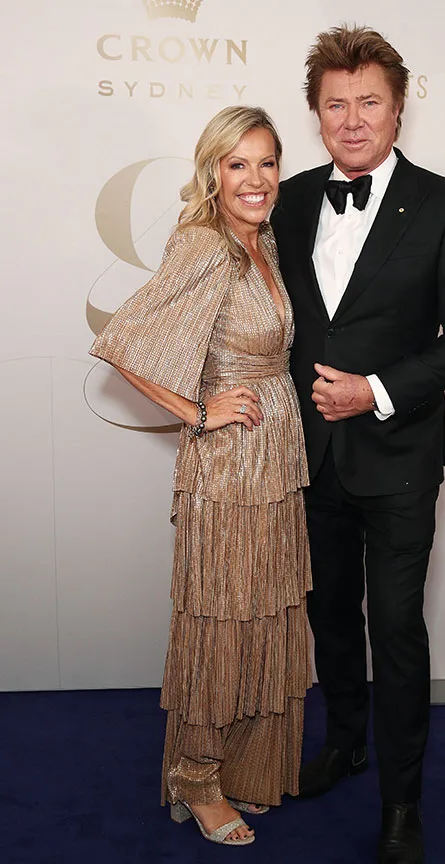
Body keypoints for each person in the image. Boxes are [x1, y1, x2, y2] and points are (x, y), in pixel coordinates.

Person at [271, 25, 445, 864]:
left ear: (398, 109)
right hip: (307, 456)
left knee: (396, 627)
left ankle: (402, 800)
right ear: (316, 115)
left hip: (396, 455)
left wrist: (376, 390)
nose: (353, 120)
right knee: (329, 616)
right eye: (336, 105)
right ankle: (345, 744)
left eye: (369, 102)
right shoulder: (287, 200)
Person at [90, 106, 312, 848]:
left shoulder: (263, 239)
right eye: (236, 164)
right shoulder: (205, 243)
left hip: (275, 460)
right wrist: (196, 409)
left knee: (258, 619)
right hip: (228, 469)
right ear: (212, 172)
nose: (254, 179)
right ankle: (195, 775)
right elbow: (120, 340)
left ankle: (236, 767)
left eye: (266, 162)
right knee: (222, 623)